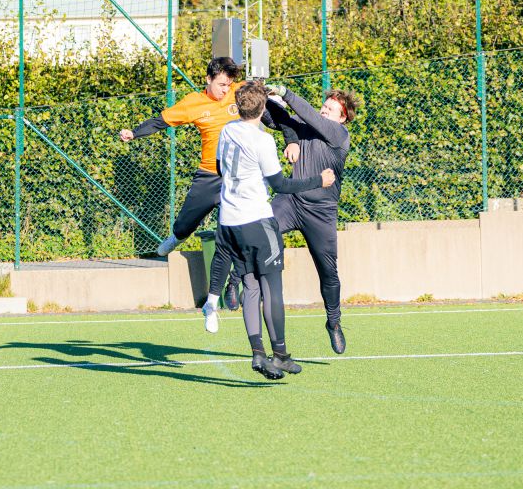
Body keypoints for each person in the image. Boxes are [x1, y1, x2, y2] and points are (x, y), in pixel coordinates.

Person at [214, 81, 335, 379]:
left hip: (230, 222)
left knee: (250, 286)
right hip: (257, 220)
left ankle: (258, 353)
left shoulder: (227, 130)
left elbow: (220, 168)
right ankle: (279, 354)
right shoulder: (263, 141)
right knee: (272, 289)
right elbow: (281, 185)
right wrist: (318, 181)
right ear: (262, 108)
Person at [119, 57, 246, 310]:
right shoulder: (193, 103)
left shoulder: (239, 92)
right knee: (188, 221)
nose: (225, 89)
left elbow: (266, 104)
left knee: (234, 231)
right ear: (208, 80)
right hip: (209, 175)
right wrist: (134, 132)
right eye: (221, 84)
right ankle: (177, 236)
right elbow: (161, 121)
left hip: (237, 176)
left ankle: (234, 284)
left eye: (228, 84)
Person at [260, 82, 356, 355]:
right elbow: (276, 119)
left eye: (330, 109)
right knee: (261, 227)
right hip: (291, 201)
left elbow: (307, 114)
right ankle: (237, 279)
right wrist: (262, 96)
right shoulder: (305, 125)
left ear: (342, 117)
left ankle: (334, 322)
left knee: (329, 273)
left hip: (321, 213)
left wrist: (285, 92)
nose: (323, 111)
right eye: (323, 106)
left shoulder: (339, 136)